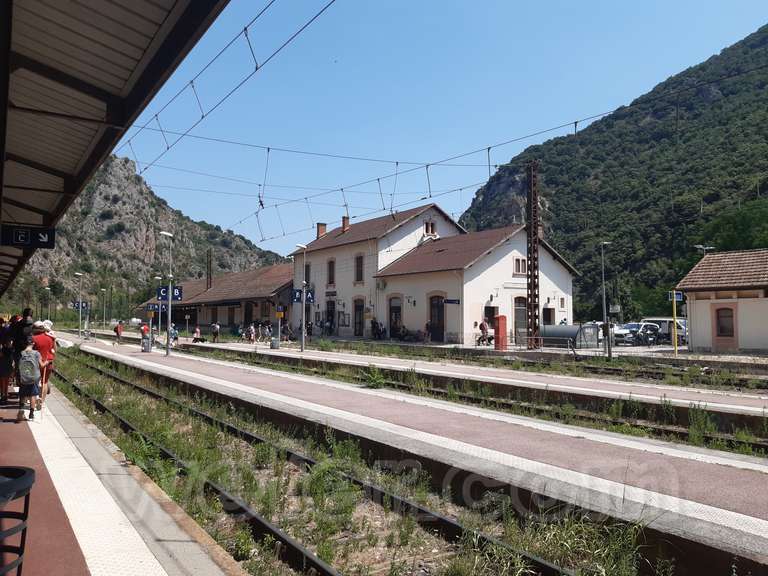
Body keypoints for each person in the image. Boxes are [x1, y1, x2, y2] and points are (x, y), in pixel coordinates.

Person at [17, 336, 44, 422]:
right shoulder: (36, 353)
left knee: (23, 394)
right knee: (33, 395)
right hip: (34, 377)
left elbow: (17, 366)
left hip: (24, 377)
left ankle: (21, 409)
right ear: (33, 343)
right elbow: (42, 365)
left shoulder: (21, 353)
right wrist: (47, 362)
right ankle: (31, 414)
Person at [32, 321, 56, 410]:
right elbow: (54, 350)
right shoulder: (50, 338)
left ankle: (35, 399)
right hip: (48, 362)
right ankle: (42, 401)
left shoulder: (33, 338)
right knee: (44, 382)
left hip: (36, 363)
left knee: (34, 382)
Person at [0, 330, 13, 404]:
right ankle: (5, 395)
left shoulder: (2, 349)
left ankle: (3, 395)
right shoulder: (11, 349)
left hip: (3, 365)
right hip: (8, 365)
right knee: (6, 381)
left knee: (2, 381)